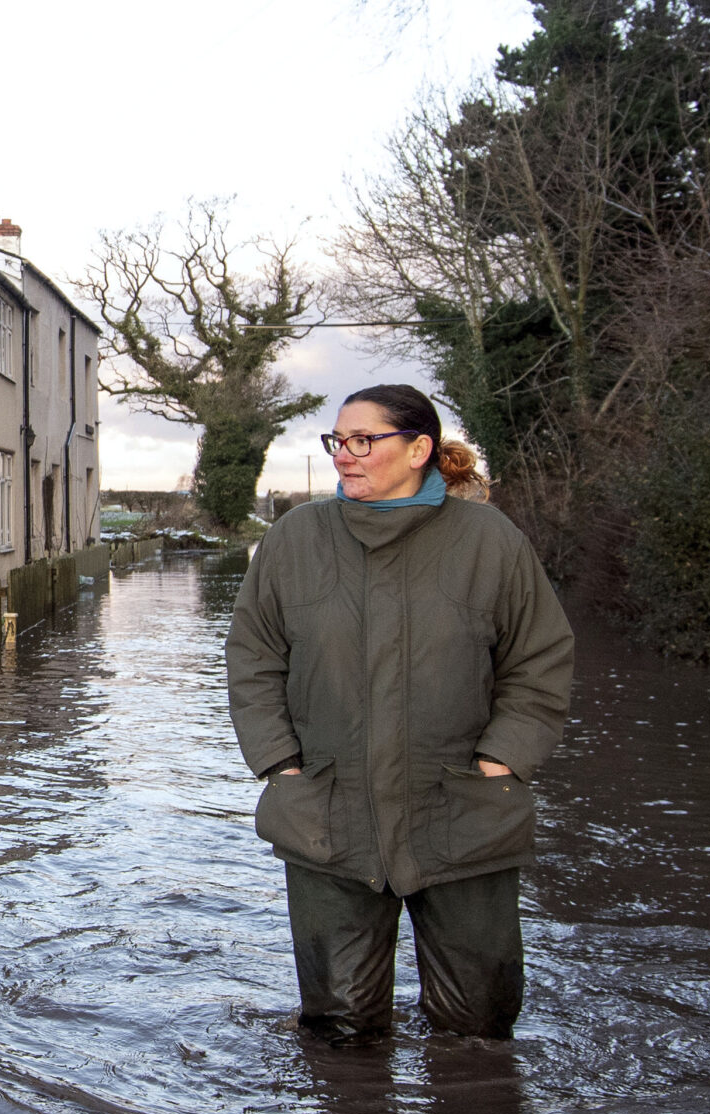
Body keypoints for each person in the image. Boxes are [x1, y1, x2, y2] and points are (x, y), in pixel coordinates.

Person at [225, 384, 573, 1042]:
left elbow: (541, 657)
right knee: (338, 1032)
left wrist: (501, 761)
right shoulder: (295, 540)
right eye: (337, 441)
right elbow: (253, 657)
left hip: (465, 814)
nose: (344, 456)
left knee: (478, 1027)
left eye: (363, 440)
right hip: (327, 814)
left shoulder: (491, 543)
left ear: (419, 449)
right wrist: (282, 765)